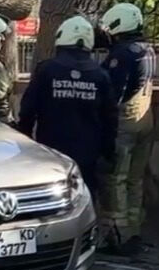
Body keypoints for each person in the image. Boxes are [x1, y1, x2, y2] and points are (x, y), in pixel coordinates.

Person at [17, 15, 119, 197]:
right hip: (88, 153)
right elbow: (110, 118)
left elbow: (28, 109)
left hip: (51, 150)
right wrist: (108, 153)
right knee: (84, 199)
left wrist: (25, 140)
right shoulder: (100, 75)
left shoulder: (46, 69)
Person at [99, 2, 156, 256]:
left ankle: (118, 235)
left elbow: (114, 93)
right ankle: (133, 230)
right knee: (135, 179)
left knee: (116, 179)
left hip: (125, 123)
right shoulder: (147, 49)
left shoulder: (122, 54)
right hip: (146, 119)